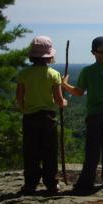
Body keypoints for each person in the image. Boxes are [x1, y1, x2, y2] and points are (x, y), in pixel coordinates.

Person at [62, 36, 103, 193]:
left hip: (94, 115)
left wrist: (64, 84)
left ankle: (87, 181)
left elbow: (78, 92)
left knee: (92, 149)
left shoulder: (87, 71)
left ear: (92, 52)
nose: (101, 54)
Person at [16, 35, 68, 194]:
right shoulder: (54, 74)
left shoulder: (24, 74)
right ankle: (51, 184)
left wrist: (25, 109)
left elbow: (19, 98)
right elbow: (59, 100)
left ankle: (30, 184)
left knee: (31, 151)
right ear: (50, 56)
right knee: (49, 151)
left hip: (30, 117)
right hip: (48, 118)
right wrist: (64, 103)